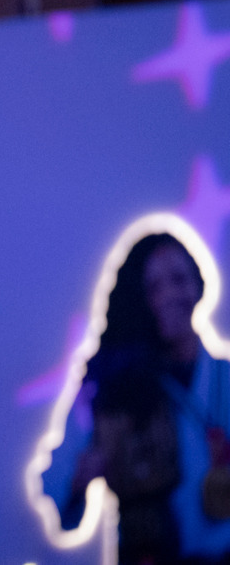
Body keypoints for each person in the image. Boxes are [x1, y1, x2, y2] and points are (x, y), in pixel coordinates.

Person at [57, 232, 230, 564]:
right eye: (153, 287)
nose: (168, 295)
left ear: (198, 284)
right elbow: (58, 497)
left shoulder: (225, 376)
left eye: (178, 279)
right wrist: (79, 480)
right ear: (139, 299)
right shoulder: (110, 386)